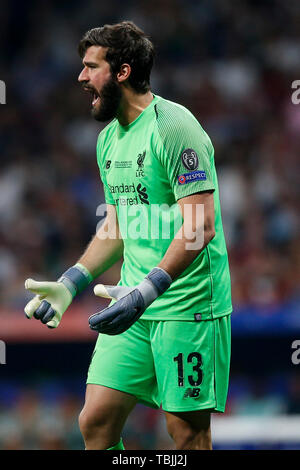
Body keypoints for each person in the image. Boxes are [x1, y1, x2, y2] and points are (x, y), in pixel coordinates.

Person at [24, 21, 232, 450]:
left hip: (187, 307)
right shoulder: (107, 141)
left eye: (90, 67)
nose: (81, 78)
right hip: (132, 307)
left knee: (186, 434)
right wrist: (71, 281)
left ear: (121, 71)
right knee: (95, 422)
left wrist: (148, 290)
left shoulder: (174, 127)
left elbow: (200, 226)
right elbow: (118, 225)